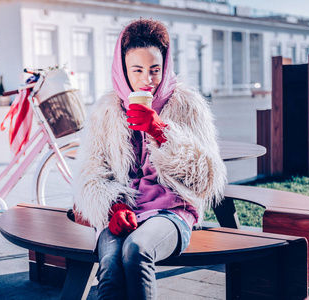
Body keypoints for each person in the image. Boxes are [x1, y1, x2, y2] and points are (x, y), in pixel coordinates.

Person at [72, 18, 227, 300]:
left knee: (136, 251)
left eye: (155, 70)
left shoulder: (186, 105)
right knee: (109, 265)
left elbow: (208, 178)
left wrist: (161, 132)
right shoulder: (105, 111)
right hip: (123, 211)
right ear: (123, 70)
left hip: (171, 212)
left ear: (165, 66)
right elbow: (90, 172)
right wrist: (112, 206)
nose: (148, 80)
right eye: (138, 70)